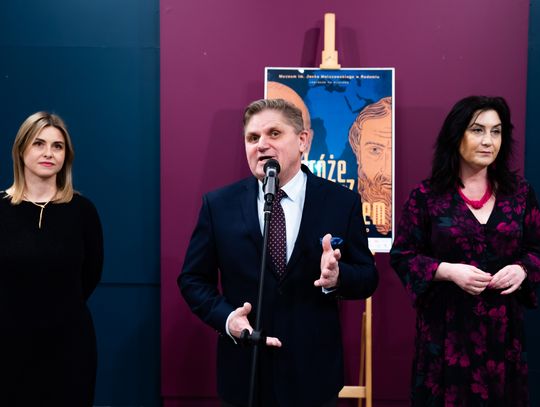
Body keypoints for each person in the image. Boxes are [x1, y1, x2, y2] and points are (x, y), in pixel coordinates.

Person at [179, 98, 378, 407]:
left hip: (312, 374)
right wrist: (228, 319)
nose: (261, 144)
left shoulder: (341, 202)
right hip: (245, 372)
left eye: (274, 133)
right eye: (252, 137)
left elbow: (367, 276)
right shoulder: (218, 206)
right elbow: (192, 279)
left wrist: (338, 278)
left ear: (303, 140)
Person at [390, 96, 540, 406]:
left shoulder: (520, 193)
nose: (488, 141)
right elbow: (403, 255)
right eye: (477, 130)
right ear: (456, 134)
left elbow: (537, 248)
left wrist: (523, 269)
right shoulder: (426, 196)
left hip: (504, 338)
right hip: (445, 338)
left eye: (496, 132)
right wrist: (447, 271)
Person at [0, 112, 103, 406]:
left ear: (66, 155)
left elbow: (91, 274)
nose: (49, 153)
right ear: (21, 150)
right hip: (8, 346)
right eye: (39, 143)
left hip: (70, 348)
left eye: (57, 146)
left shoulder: (83, 211)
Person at [348, 96, 392, 235]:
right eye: (375, 150)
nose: (387, 171)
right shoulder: (341, 205)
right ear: (358, 154)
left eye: (394, 151)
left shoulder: (422, 204)